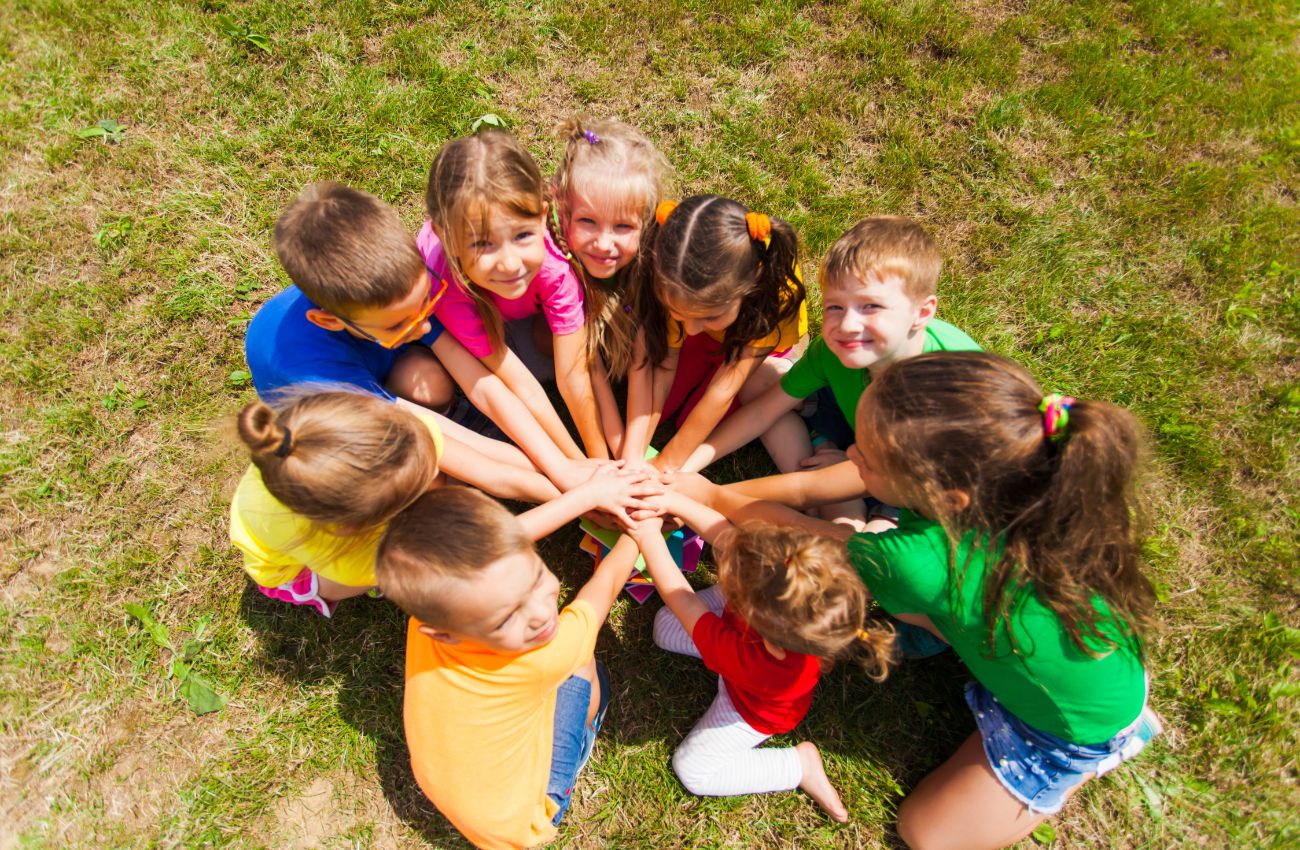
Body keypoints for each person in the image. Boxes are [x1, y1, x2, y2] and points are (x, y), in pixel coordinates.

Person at [843, 352, 1162, 849]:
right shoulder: (1027, 491)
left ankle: (1097, 757)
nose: (849, 454)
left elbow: (832, 546)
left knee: (926, 834)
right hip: (1097, 664)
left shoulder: (920, 563)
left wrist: (718, 502)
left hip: (1075, 727)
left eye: (865, 454)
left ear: (949, 497)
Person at [245, 181, 591, 490]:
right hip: (338, 413)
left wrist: (572, 468)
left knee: (430, 381)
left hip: (380, 352)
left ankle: (438, 396)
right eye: (401, 324)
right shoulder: (317, 377)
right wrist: (568, 484)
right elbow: (469, 458)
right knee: (423, 475)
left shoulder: (396, 290)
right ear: (330, 321)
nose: (424, 327)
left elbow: (484, 383)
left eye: (425, 304)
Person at [377, 487, 650, 849]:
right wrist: (640, 532)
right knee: (584, 665)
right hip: (525, 820)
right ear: (446, 634)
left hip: (462, 790)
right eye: (506, 618)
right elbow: (601, 591)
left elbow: (507, 540)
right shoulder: (539, 657)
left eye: (536, 577)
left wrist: (587, 496)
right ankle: (580, 741)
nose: (540, 615)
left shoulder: (437, 612)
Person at [230, 391, 652, 616]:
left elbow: (495, 471)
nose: (435, 477)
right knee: (424, 563)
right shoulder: (349, 550)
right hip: (297, 571)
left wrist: (583, 476)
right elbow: (478, 549)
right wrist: (583, 498)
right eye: (411, 488)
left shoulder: (377, 430)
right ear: (359, 523)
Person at [679, 216, 979, 529]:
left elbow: (838, 483)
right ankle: (824, 461)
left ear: (923, 312)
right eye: (835, 307)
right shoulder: (834, 350)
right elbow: (762, 413)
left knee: (863, 554)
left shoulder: (942, 390)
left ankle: (833, 501)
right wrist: (683, 468)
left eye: (871, 306)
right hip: (859, 446)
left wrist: (707, 494)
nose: (847, 325)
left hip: (910, 491)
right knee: (762, 378)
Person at [630, 505, 893, 822]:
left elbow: (683, 601)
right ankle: (726, 602)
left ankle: (797, 766)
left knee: (693, 769)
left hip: (748, 708)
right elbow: (725, 535)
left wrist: (647, 535)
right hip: (746, 641)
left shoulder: (758, 662)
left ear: (764, 630)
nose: (730, 572)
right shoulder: (784, 574)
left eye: (739, 590)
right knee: (664, 627)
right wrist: (670, 497)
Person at [419, 130, 607, 460]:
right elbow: (520, 385)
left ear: (542, 216)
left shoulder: (553, 267)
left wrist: (601, 460)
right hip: (471, 315)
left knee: (563, 356)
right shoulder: (445, 287)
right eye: (482, 243)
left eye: (522, 235)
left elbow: (573, 375)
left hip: (507, 310)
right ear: (445, 238)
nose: (509, 264)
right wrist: (580, 468)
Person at [622, 195, 809, 473]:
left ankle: (780, 366)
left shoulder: (775, 294)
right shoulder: (673, 277)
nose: (692, 329)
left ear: (752, 282)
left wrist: (666, 465)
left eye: (710, 316)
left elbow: (724, 388)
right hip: (713, 338)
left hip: (749, 343)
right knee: (660, 410)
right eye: (680, 314)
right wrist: (633, 455)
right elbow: (663, 365)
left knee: (692, 423)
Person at [549, 117, 670, 458]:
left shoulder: (652, 261)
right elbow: (589, 367)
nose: (604, 243)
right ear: (563, 208)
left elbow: (643, 361)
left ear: (644, 223)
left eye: (622, 226)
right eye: (588, 221)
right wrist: (608, 456)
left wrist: (630, 455)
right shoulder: (560, 266)